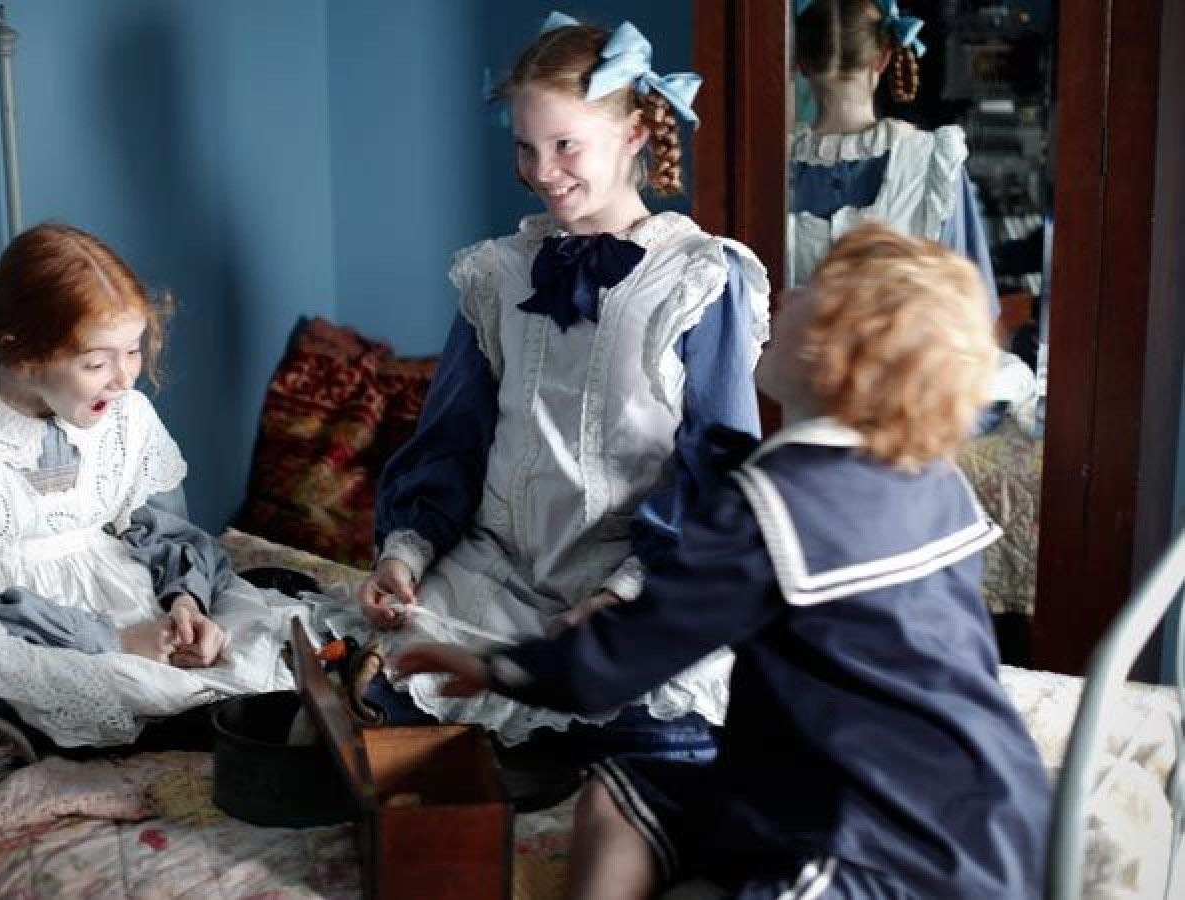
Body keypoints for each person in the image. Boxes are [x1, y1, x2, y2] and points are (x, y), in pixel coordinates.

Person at [398, 224, 1052, 899]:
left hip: (885, 838)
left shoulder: (779, 504)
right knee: (620, 795)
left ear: (836, 355)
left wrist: (496, 668)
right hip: (985, 803)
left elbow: (621, 659)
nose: (789, 292)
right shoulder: (926, 473)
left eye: (812, 292)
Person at [321, 10, 770, 754]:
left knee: (663, 731)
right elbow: (453, 437)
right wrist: (405, 555)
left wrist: (624, 594)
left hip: (628, 586)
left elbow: (720, 469)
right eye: (526, 148)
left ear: (632, 133)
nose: (542, 171)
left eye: (566, 145)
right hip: (498, 574)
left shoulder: (698, 278)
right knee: (368, 689)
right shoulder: (497, 275)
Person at [0, 223, 303, 822]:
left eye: (133, 350)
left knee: (273, 633)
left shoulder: (124, 417)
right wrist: (110, 641)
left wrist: (185, 602)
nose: (126, 377)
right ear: (24, 353)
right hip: (20, 624)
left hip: (129, 598)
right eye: (96, 362)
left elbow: (163, 527)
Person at [790, 0, 1037, 433]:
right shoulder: (930, 162)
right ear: (884, 56)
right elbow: (971, 306)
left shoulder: (770, 167)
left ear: (799, 63)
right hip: (902, 404)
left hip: (795, 399)